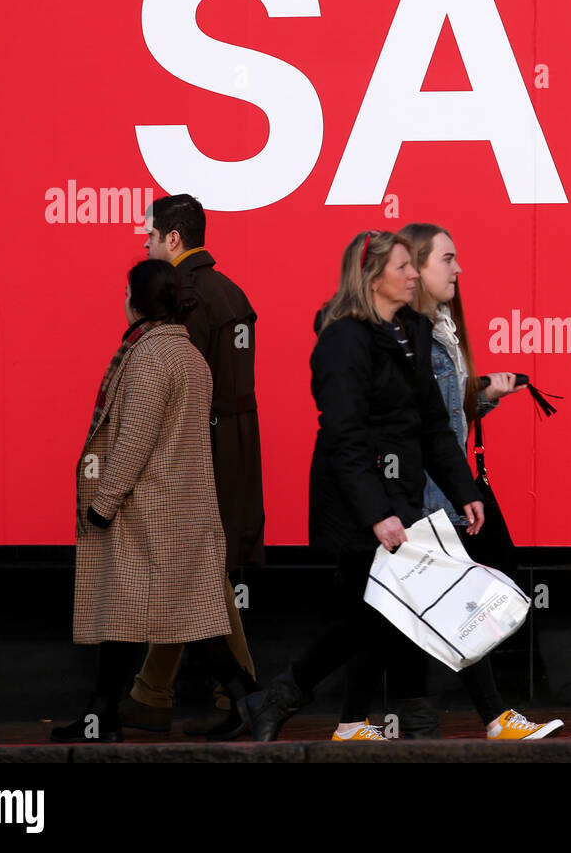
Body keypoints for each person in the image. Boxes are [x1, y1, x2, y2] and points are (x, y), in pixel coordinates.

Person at [247, 230, 483, 741]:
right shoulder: (343, 340)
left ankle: (385, 721)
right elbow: (345, 436)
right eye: (403, 267)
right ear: (372, 278)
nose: (414, 274)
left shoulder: (414, 332)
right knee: (373, 615)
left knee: (387, 612)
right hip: (354, 501)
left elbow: (432, 424)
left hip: (399, 493)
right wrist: (376, 511)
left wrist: (464, 488)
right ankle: (285, 699)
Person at [52, 259, 260, 743]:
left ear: (139, 300)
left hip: (148, 513)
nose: (122, 299)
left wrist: (103, 503)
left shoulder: (148, 357)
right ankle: (102, 716)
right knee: (141, 619)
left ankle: (249, 697)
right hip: (178, 509)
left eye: (126, 291)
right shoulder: (188, 355)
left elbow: (134, 441)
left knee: (163, 619)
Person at [383, 221, 561, 739]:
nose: (459, 268)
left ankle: (447, 720)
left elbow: (442, 419)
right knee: (434, 607)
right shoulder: (415, 339)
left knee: (426, 609)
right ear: (415, 266)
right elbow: (422, 427)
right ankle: (482, 718)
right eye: (447, 259)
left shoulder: (440, 332)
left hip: (439, 494)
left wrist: (484, 397)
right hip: (424, 499)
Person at [114, 193, 264, 739]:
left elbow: (177, 393)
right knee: (202, 573)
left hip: (201, 456)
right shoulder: (234, 295)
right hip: (235, 450)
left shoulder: (187, 298)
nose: (148, 245)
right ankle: (159, 695)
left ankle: (239, 693)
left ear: (173, 238)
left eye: (152, 237)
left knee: (197, 572)